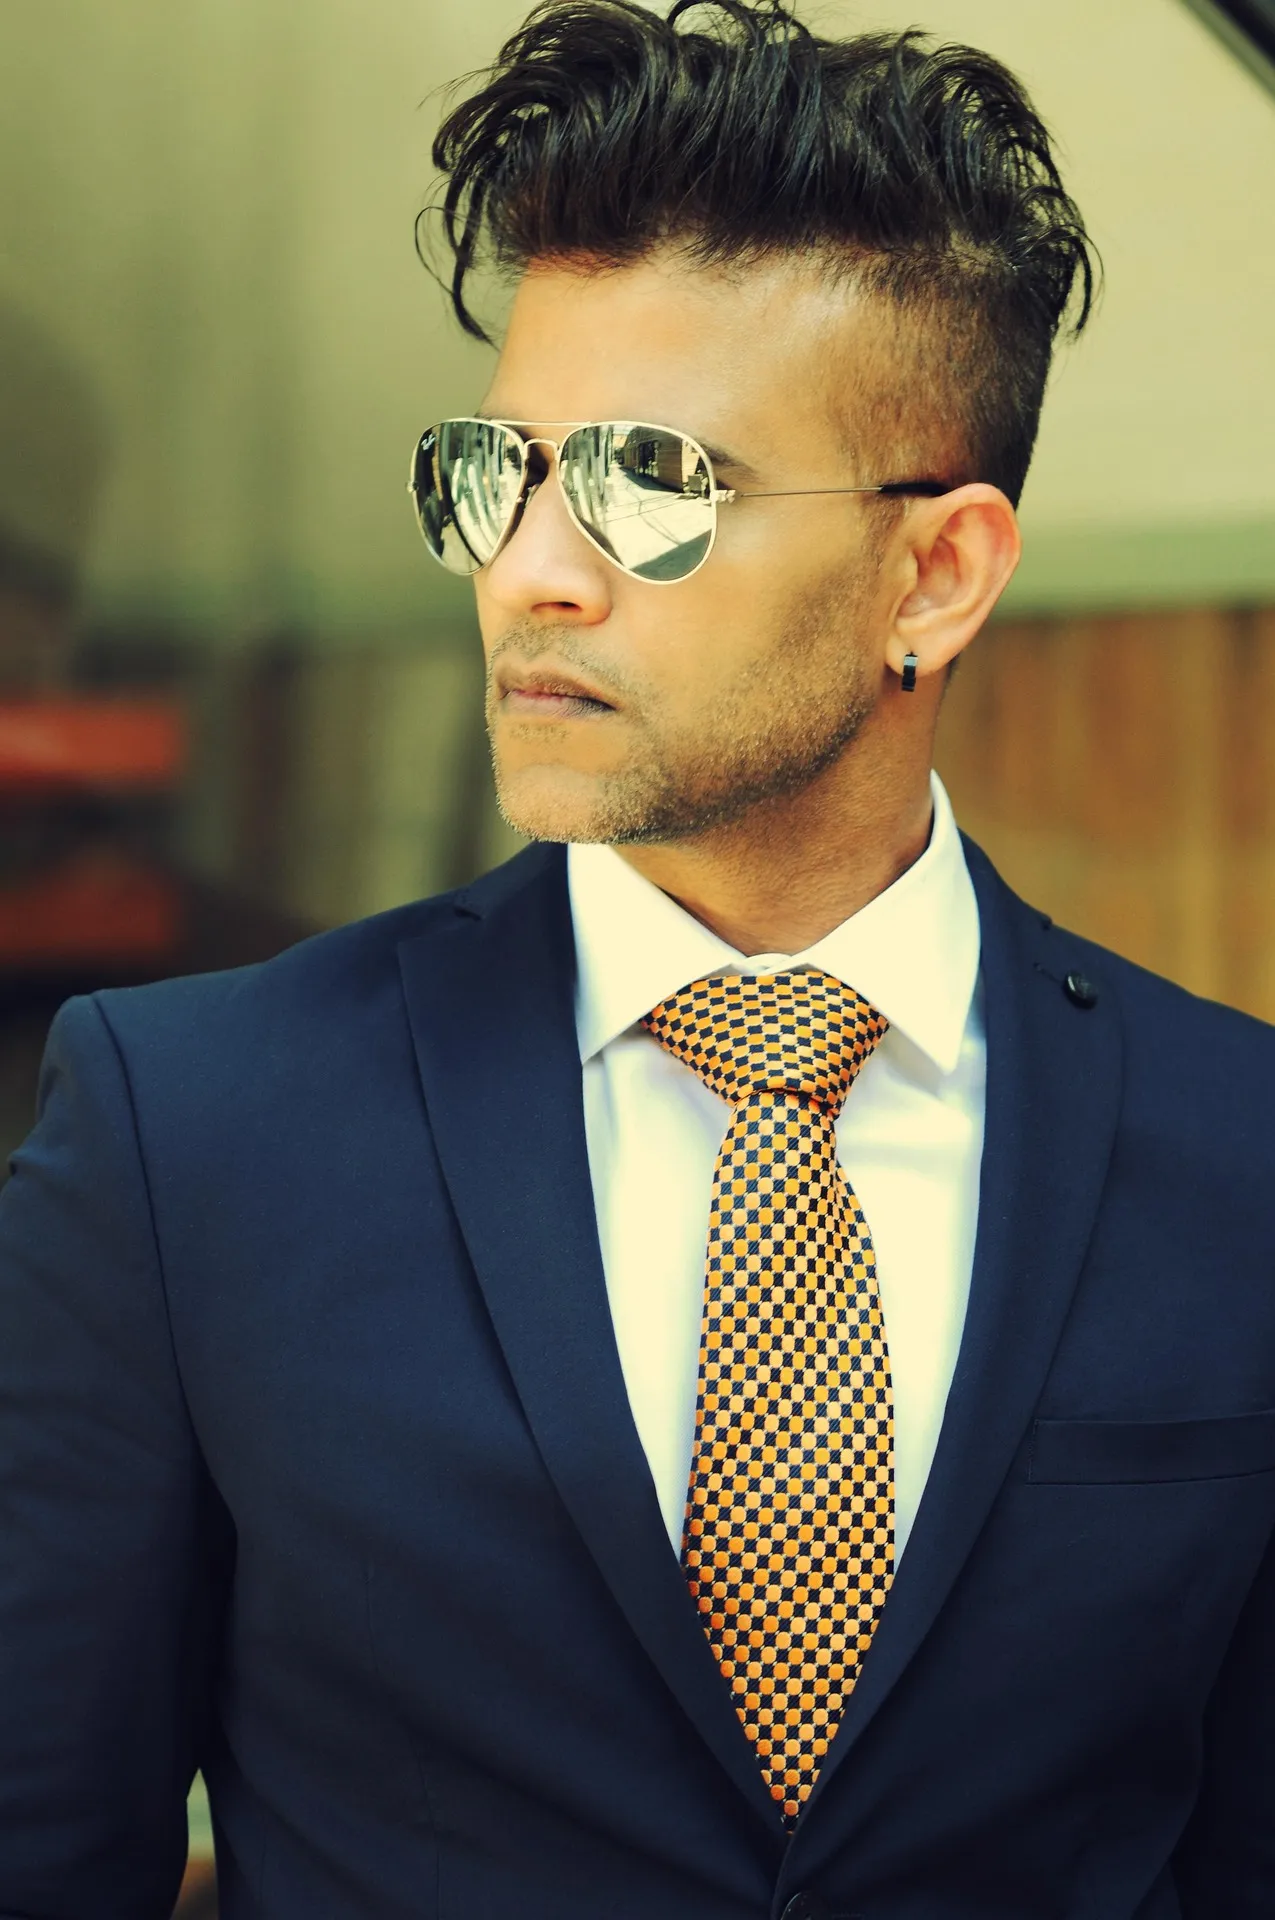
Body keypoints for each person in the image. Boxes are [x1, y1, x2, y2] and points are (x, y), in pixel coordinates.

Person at [1, 3, 1272, 1915]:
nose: (527, 566)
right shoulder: (192, 1137)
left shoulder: (1239, 1155)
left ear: (936, 573)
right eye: (493, 471)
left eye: (645, 484)